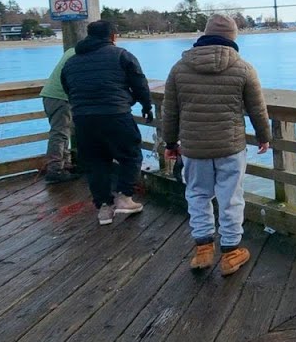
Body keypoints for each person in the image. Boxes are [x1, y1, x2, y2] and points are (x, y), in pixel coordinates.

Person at [160, 14, 271, 277]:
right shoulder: (243, 68)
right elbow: (258, 109)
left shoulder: (179, 68)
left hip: (194, 148)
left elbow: (170, 111)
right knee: (231, 197)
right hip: (230, 147)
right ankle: (231, 253)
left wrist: (170, 142)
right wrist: (263, 136)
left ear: (204, 35)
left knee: (197, 195)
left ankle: (203, 251)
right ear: (232, 38)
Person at [60, 20, 153, 226]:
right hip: (115, 114)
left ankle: (104, 208)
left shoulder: (72, 62)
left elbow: (68, 88)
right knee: (130, 154)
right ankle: (124, 197)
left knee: (95, 163)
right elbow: (140, 84)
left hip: (83, 119)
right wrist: (146, 105)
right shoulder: (121, 55)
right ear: (112, 36)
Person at [38, 46, 78, 183]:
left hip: (51, 95)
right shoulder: (81, 54)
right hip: (60, 97)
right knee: (60, 132)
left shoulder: (72, 50)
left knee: (63, 132)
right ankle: (55, 170)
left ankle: (64, 165)